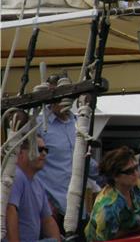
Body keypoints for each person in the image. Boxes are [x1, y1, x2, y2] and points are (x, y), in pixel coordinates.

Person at [36, 99, 98, 232]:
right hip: (53, 210)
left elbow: (86, 161)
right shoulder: (39, 124)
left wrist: (110, 171)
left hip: (79, 208)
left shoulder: (78, 122)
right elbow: (30, 164)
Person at [84, 146, 140, 241]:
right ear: (115, 176)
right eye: (129, 171)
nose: (135, 173)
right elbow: (106, 238)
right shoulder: (107, 207)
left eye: (136, 168)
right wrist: (138, 230)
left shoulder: (136, 186)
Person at [6, 136, 61, 242]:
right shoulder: (15, 176)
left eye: (46, 150)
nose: (44, 153)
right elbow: (10, 211)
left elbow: (47, 221)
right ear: (21, 153)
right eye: (38, 149)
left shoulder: (38, 184)